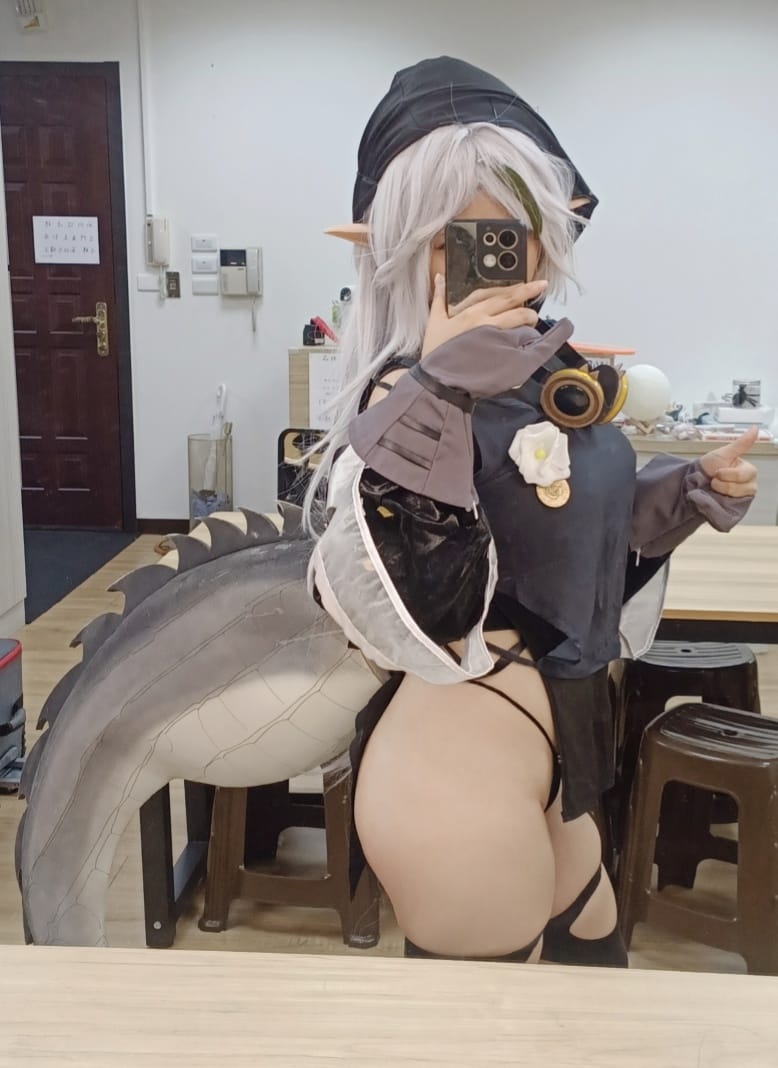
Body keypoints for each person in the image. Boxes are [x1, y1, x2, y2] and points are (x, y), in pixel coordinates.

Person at [304, 56, 758, 966]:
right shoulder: (402, 402)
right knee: (491, 1030)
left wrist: (685, 495)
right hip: (456, 766)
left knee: (588, 989)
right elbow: (421, 609)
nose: (494, 257)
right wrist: (441, 386)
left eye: (515, 233)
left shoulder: (552, 379)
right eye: (456, 239)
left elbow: (575, 543)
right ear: (402, 252)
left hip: (562, 749)